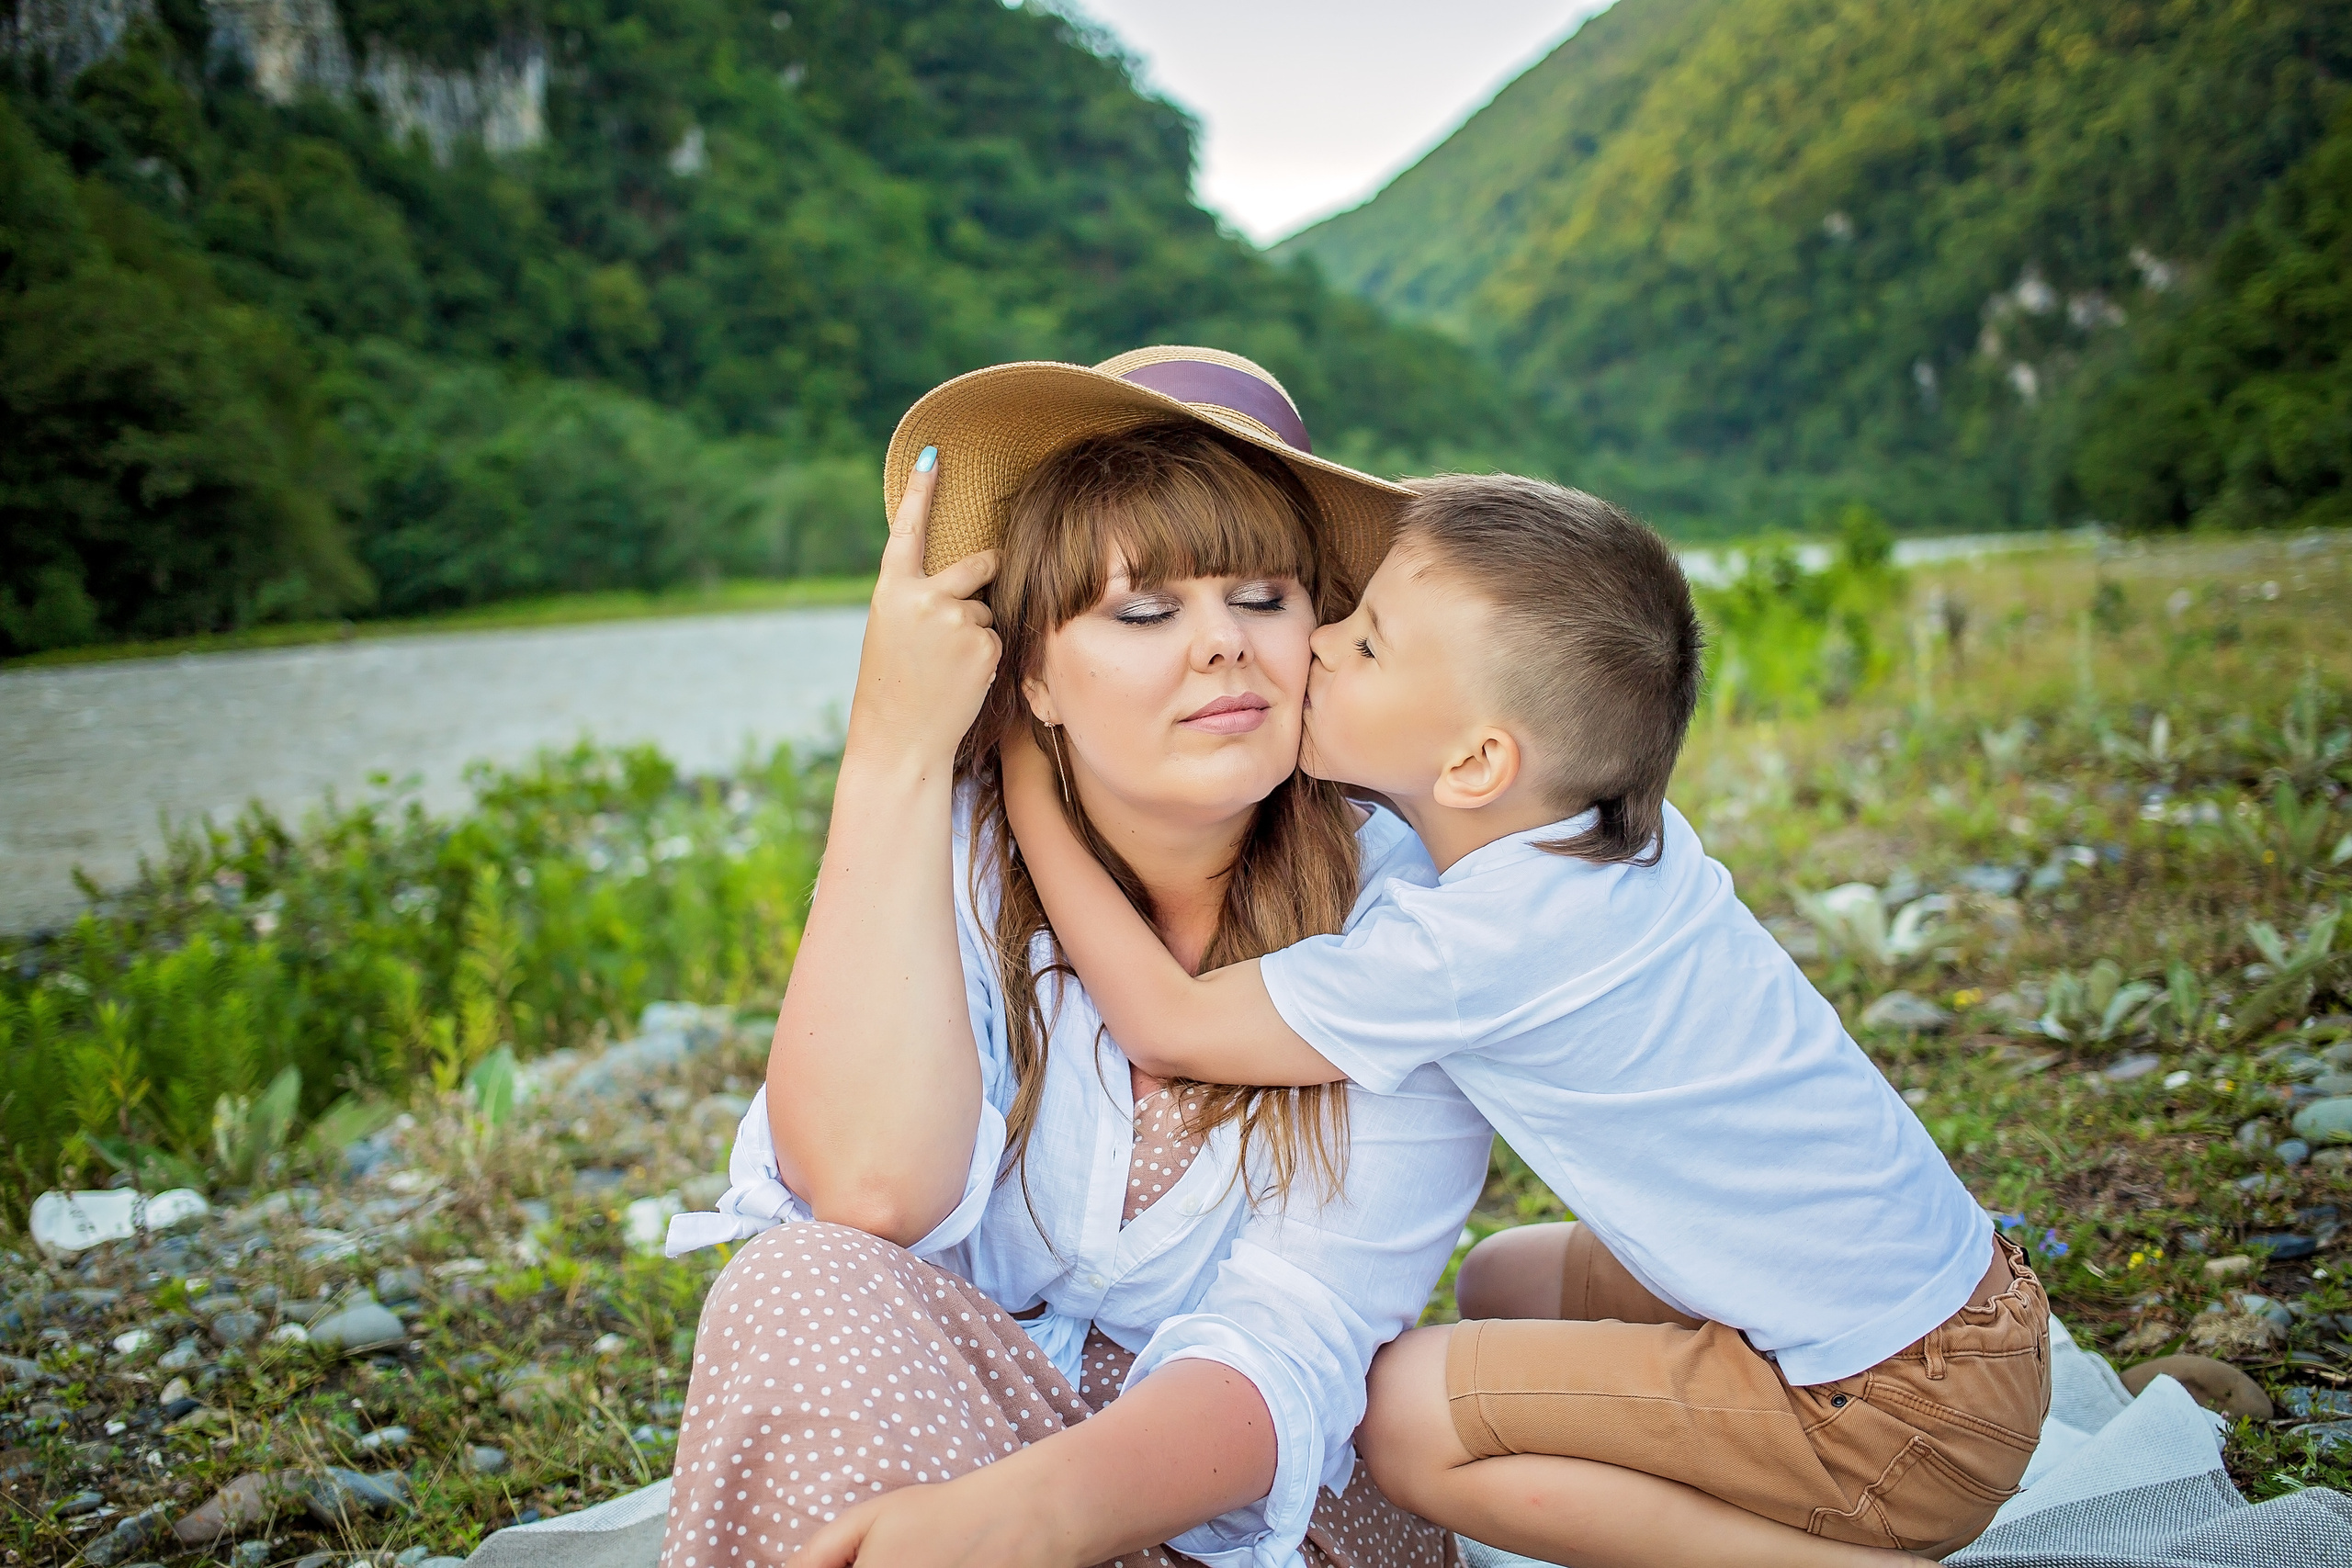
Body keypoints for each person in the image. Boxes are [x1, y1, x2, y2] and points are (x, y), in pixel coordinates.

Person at [1000, 473, 2050, 1566]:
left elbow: (1169, 1024)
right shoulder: (1599, 833)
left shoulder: (1477, 948)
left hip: (1890, 1414)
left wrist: (1029, 777)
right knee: (1507, 1279)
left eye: (1364, 647)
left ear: (1474, 763)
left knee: (1401, 1414)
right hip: (1963, 1318)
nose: (1314, 641)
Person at [658, 348, 1495, 1568]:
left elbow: (1296, 1332)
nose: (1224, 646)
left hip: (1249, 1514)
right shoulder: (960, 852)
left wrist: (1023, 1517)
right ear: (1032, 671)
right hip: (968, 1447)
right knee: (797, 1283)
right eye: (1147, 609)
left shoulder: (1414, 913)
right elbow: (869, 1196)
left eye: (1264, 598)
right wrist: (890, 748)